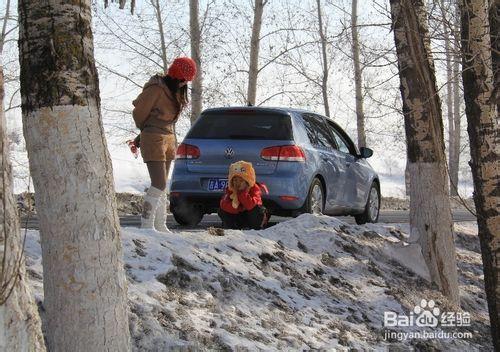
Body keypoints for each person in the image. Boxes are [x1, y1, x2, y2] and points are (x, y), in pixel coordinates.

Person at [132, 57, 197, 233]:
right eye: (184, 79)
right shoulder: (156, 88)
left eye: (187, 81)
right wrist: (147, 129)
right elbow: (139, 113)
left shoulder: (174, 90)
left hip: (169, 137)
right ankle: (146, 225)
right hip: (153, 136)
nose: (185, 84)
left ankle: (161, 225)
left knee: (163, 185)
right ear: (176, 75)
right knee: (158, 183)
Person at [218, 161, 268, 230]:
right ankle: (231, 227)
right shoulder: (230, 190)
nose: (237, 183)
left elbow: (250, 205)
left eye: (241, 181)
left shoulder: (254, 189)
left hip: (250, 218)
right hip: (237, 215)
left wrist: (242, 193)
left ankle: (255, 228)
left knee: (259, 209)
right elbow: (224, 204)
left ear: (247, 182)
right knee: (222, 210)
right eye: (235, 180)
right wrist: (238, 208)